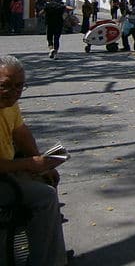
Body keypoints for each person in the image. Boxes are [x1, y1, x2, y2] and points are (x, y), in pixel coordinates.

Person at [0, 56, 68, 266]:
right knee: (44, 197)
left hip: (9, 170)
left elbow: (21, 133)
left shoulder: (10, 104)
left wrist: (41, 162)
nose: (14, 92)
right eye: (6, 86)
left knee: (47, 180)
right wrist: (31, 164)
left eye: (20, 86)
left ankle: (48, 251)